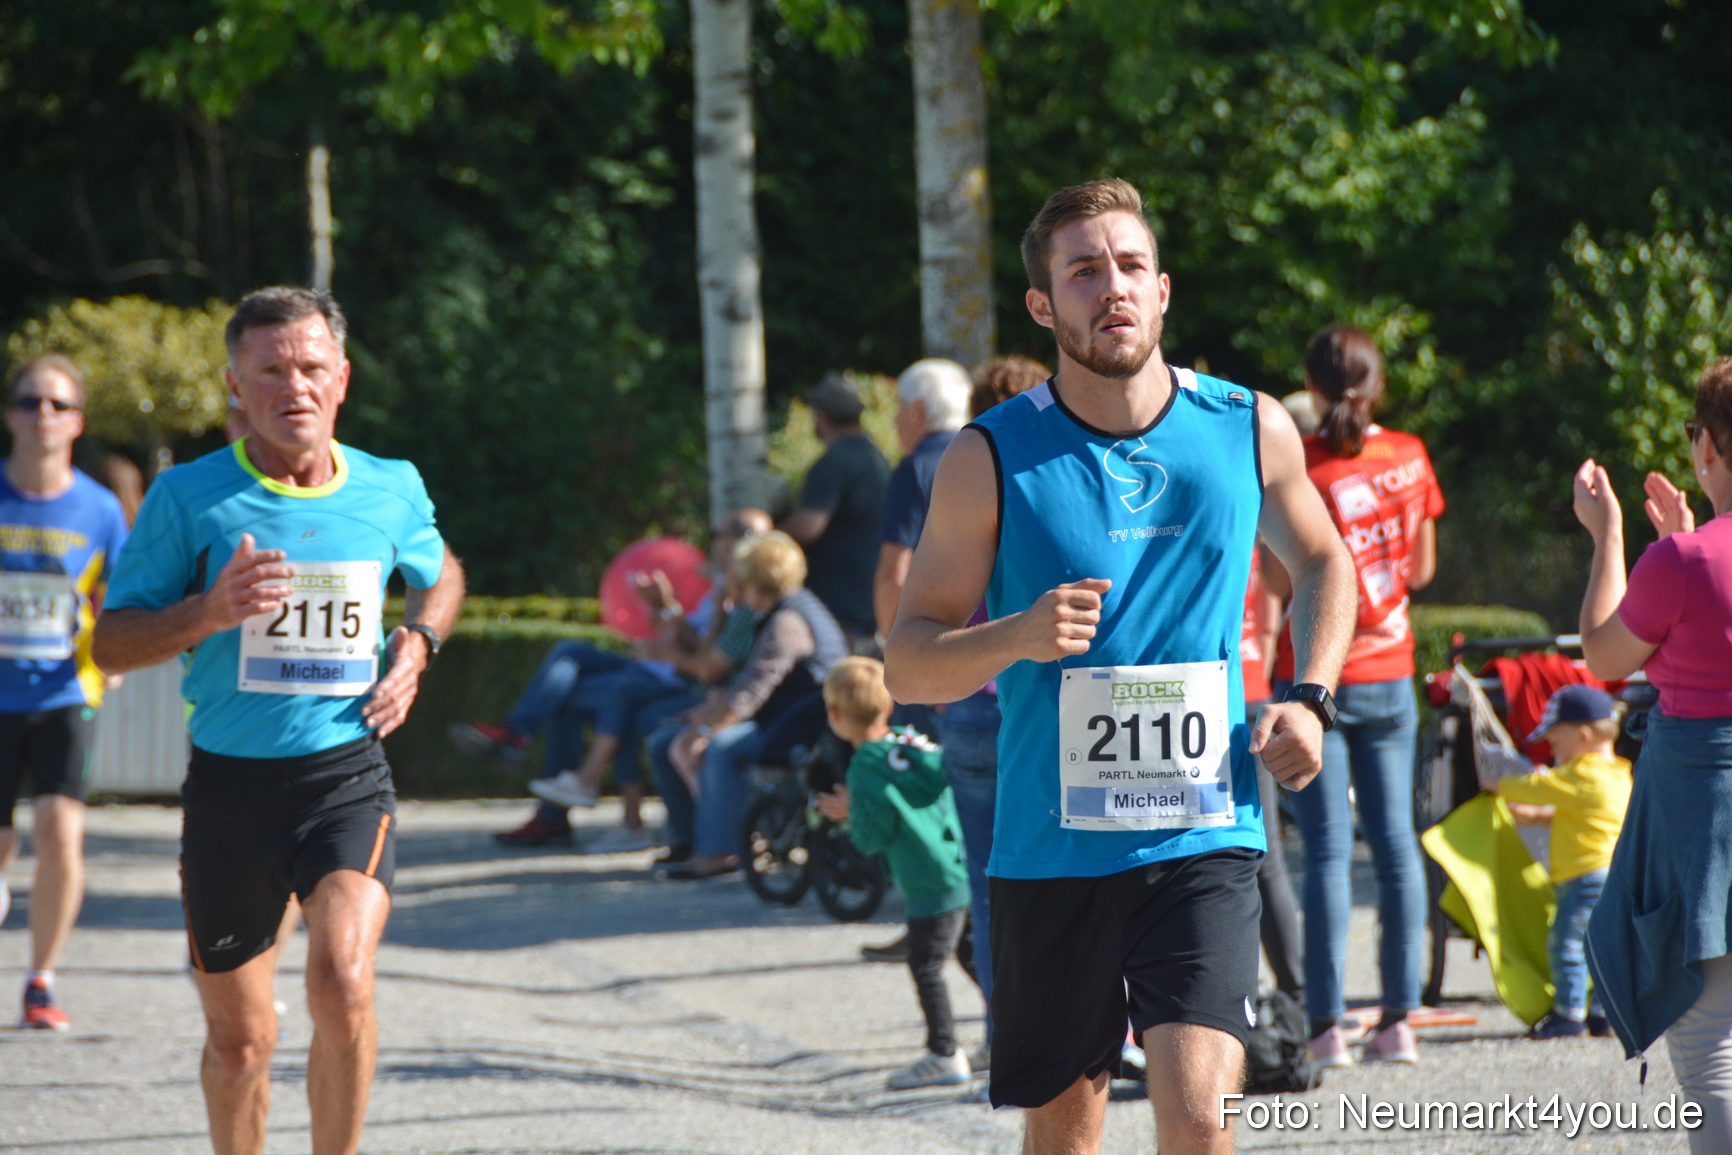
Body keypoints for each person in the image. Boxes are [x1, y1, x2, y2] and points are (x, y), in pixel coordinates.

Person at [884, 178, 1355, 1155]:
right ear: (1043, 305)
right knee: (1065, 1135)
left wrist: (1309, 697)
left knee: (1197, 1119)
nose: (1113, 288)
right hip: (1048, 851)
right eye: (1084, 271)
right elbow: (908, 662)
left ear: (1164, 289)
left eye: (1131, 266)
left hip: (1200, 834)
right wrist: (1011, 637)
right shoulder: (987, 457)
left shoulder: (1245, 425)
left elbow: (1321, 560)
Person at [91, 287, 465, 1155]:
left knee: (343, 980)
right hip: (229, 789)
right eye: (270, 371)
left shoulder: (389, 484)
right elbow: (111, 644)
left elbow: (441, 571)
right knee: (241, 1043)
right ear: (236, 386)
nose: (292, 387)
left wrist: (418, 641)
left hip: (344, 776)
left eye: (309, 368)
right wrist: (208, 612)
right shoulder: (190, 495)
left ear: (342, 377)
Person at [1268, 324, 1443, 1068]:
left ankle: (1326, 1026)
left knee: (1327, 851)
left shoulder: (1295, 467)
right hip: (1391, 668)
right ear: (1379, 386)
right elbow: (1422, 569)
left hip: (1312, 673)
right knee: (1398, 844)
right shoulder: (1409, 455)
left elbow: (1281, 582)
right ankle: (1399, 1020)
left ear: (1309, 388)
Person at [1575, 358, 1732, 1154]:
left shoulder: (1683, 562)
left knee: (1709, 1051)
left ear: (1705, 446)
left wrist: (1611, 538)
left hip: (1701, 813)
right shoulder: (1691, 556)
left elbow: (1605, 653)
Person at [452, 511, 771, 852]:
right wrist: (666, 609)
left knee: (596, 697)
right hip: (659, 672)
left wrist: (669, 652)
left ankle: (574, 794)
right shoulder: (723, 588)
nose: (729, 543)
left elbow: (709, 666)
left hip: (678, 683)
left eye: (742, 535)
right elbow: (698, 643)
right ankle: (527, 749)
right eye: (726, 533)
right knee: (571, 655)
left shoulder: (747, 597)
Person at [0, 355, 128, 1030]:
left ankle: (40, 978)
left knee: (59, 829)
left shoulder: (101, 510)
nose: (42, 413)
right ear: (10, 413)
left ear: (76, 421)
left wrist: (115, 652)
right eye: (30, 400)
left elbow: (121, 598)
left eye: (57, 404)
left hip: (64, 692)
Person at [814, 656, 982, 1088]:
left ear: (835, 714)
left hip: (926, 881)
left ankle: (944, 1052)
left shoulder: (864, 766)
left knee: (925, 965)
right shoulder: (910, 745)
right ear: (888, 707)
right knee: (971, 956)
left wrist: (850, 813)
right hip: (957, 867)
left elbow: (871, 836)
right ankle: (1006, 1035)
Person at [648, 530, 846, 879]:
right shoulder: (785, 608)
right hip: (786, 719)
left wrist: (705, 730)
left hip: (807, 727)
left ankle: (720, 851)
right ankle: (689, 840)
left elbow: (753, 690)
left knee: (719, 749)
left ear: (754, 580)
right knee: (665, 742)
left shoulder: (787, 620)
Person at [1475, 684, 1630, 1040]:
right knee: (1604, 948)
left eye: (1556, 740)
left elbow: (1536, 786)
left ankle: (1569, 1015)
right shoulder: (1617, 774)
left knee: (1567, 945)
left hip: (1583, 878)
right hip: (1611, 876)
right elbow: (1584, 815)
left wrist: (1496, 783)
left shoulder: (1583, 773)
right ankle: (1603, 1014)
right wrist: (1541, 818)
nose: (1551, 748)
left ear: (1583, 735)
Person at [871, 358, 973, 646]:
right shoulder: (986, 458)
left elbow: (895, 571)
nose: (894, 420)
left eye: (898, 408)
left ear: (917, 411)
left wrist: (887, 640)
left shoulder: (915, 468)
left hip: (931, 633)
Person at [782, 372, 889, 638]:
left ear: (820, 416)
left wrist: (769, 539)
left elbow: (809, 526)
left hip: (837, 607)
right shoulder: (876, 458)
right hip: (869, 598)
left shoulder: (834, 462)